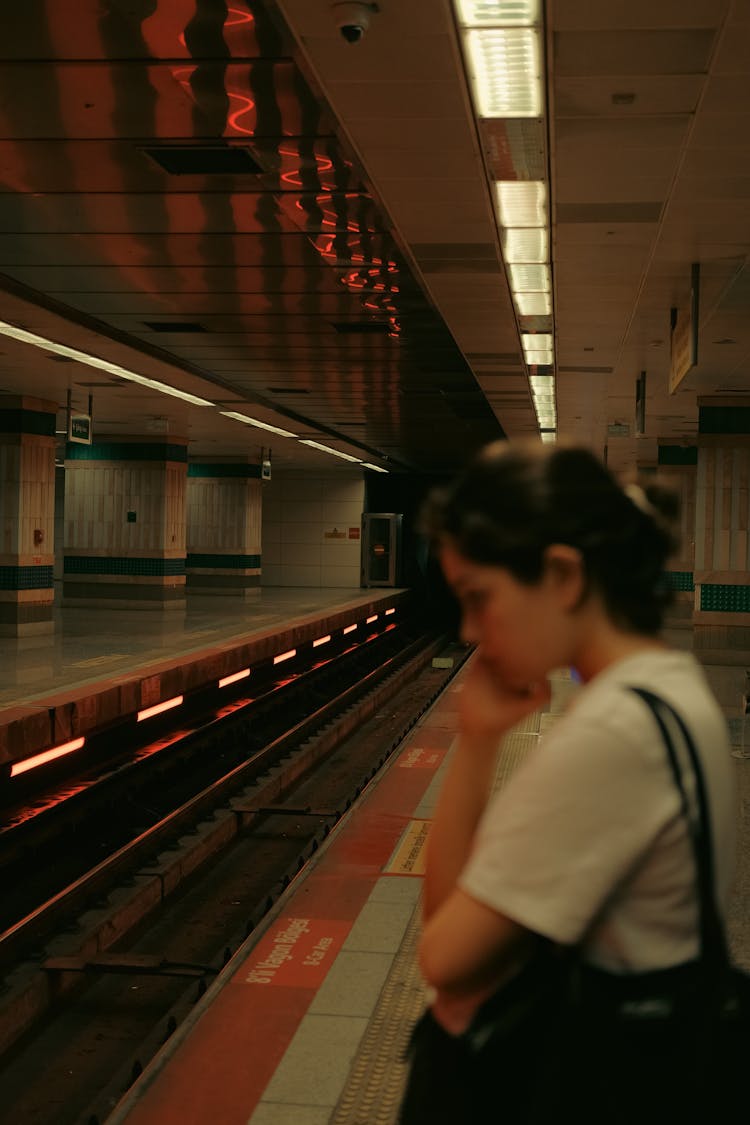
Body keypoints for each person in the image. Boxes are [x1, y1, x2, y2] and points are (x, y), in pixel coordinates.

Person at [400, 441, 736, 1123]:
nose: (468, 629)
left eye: (479, 597)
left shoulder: (610, 735)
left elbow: (443, 955)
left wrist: (475, 744)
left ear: (562, 575)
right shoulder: (671, 689)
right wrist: (483, 733)